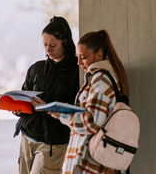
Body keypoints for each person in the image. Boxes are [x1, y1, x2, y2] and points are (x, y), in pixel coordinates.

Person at [49, 30, 129, 174]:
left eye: (83, 57)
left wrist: (63, 116)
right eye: (77, 57)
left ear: (99, 55)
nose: (79, 63)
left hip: (90, 166)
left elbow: (92, 122)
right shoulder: (100, 78)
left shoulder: (101, 80)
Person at [13, 16, 80, 174]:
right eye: (45, 45)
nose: (48, 50)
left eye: (53, 45)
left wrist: (48, 107)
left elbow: (77, 108)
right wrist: (18, 109)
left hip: (53, 144)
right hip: (27, 138)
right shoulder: (36, 69)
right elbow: (25, 97)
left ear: (65, 43)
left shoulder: (76, 73)